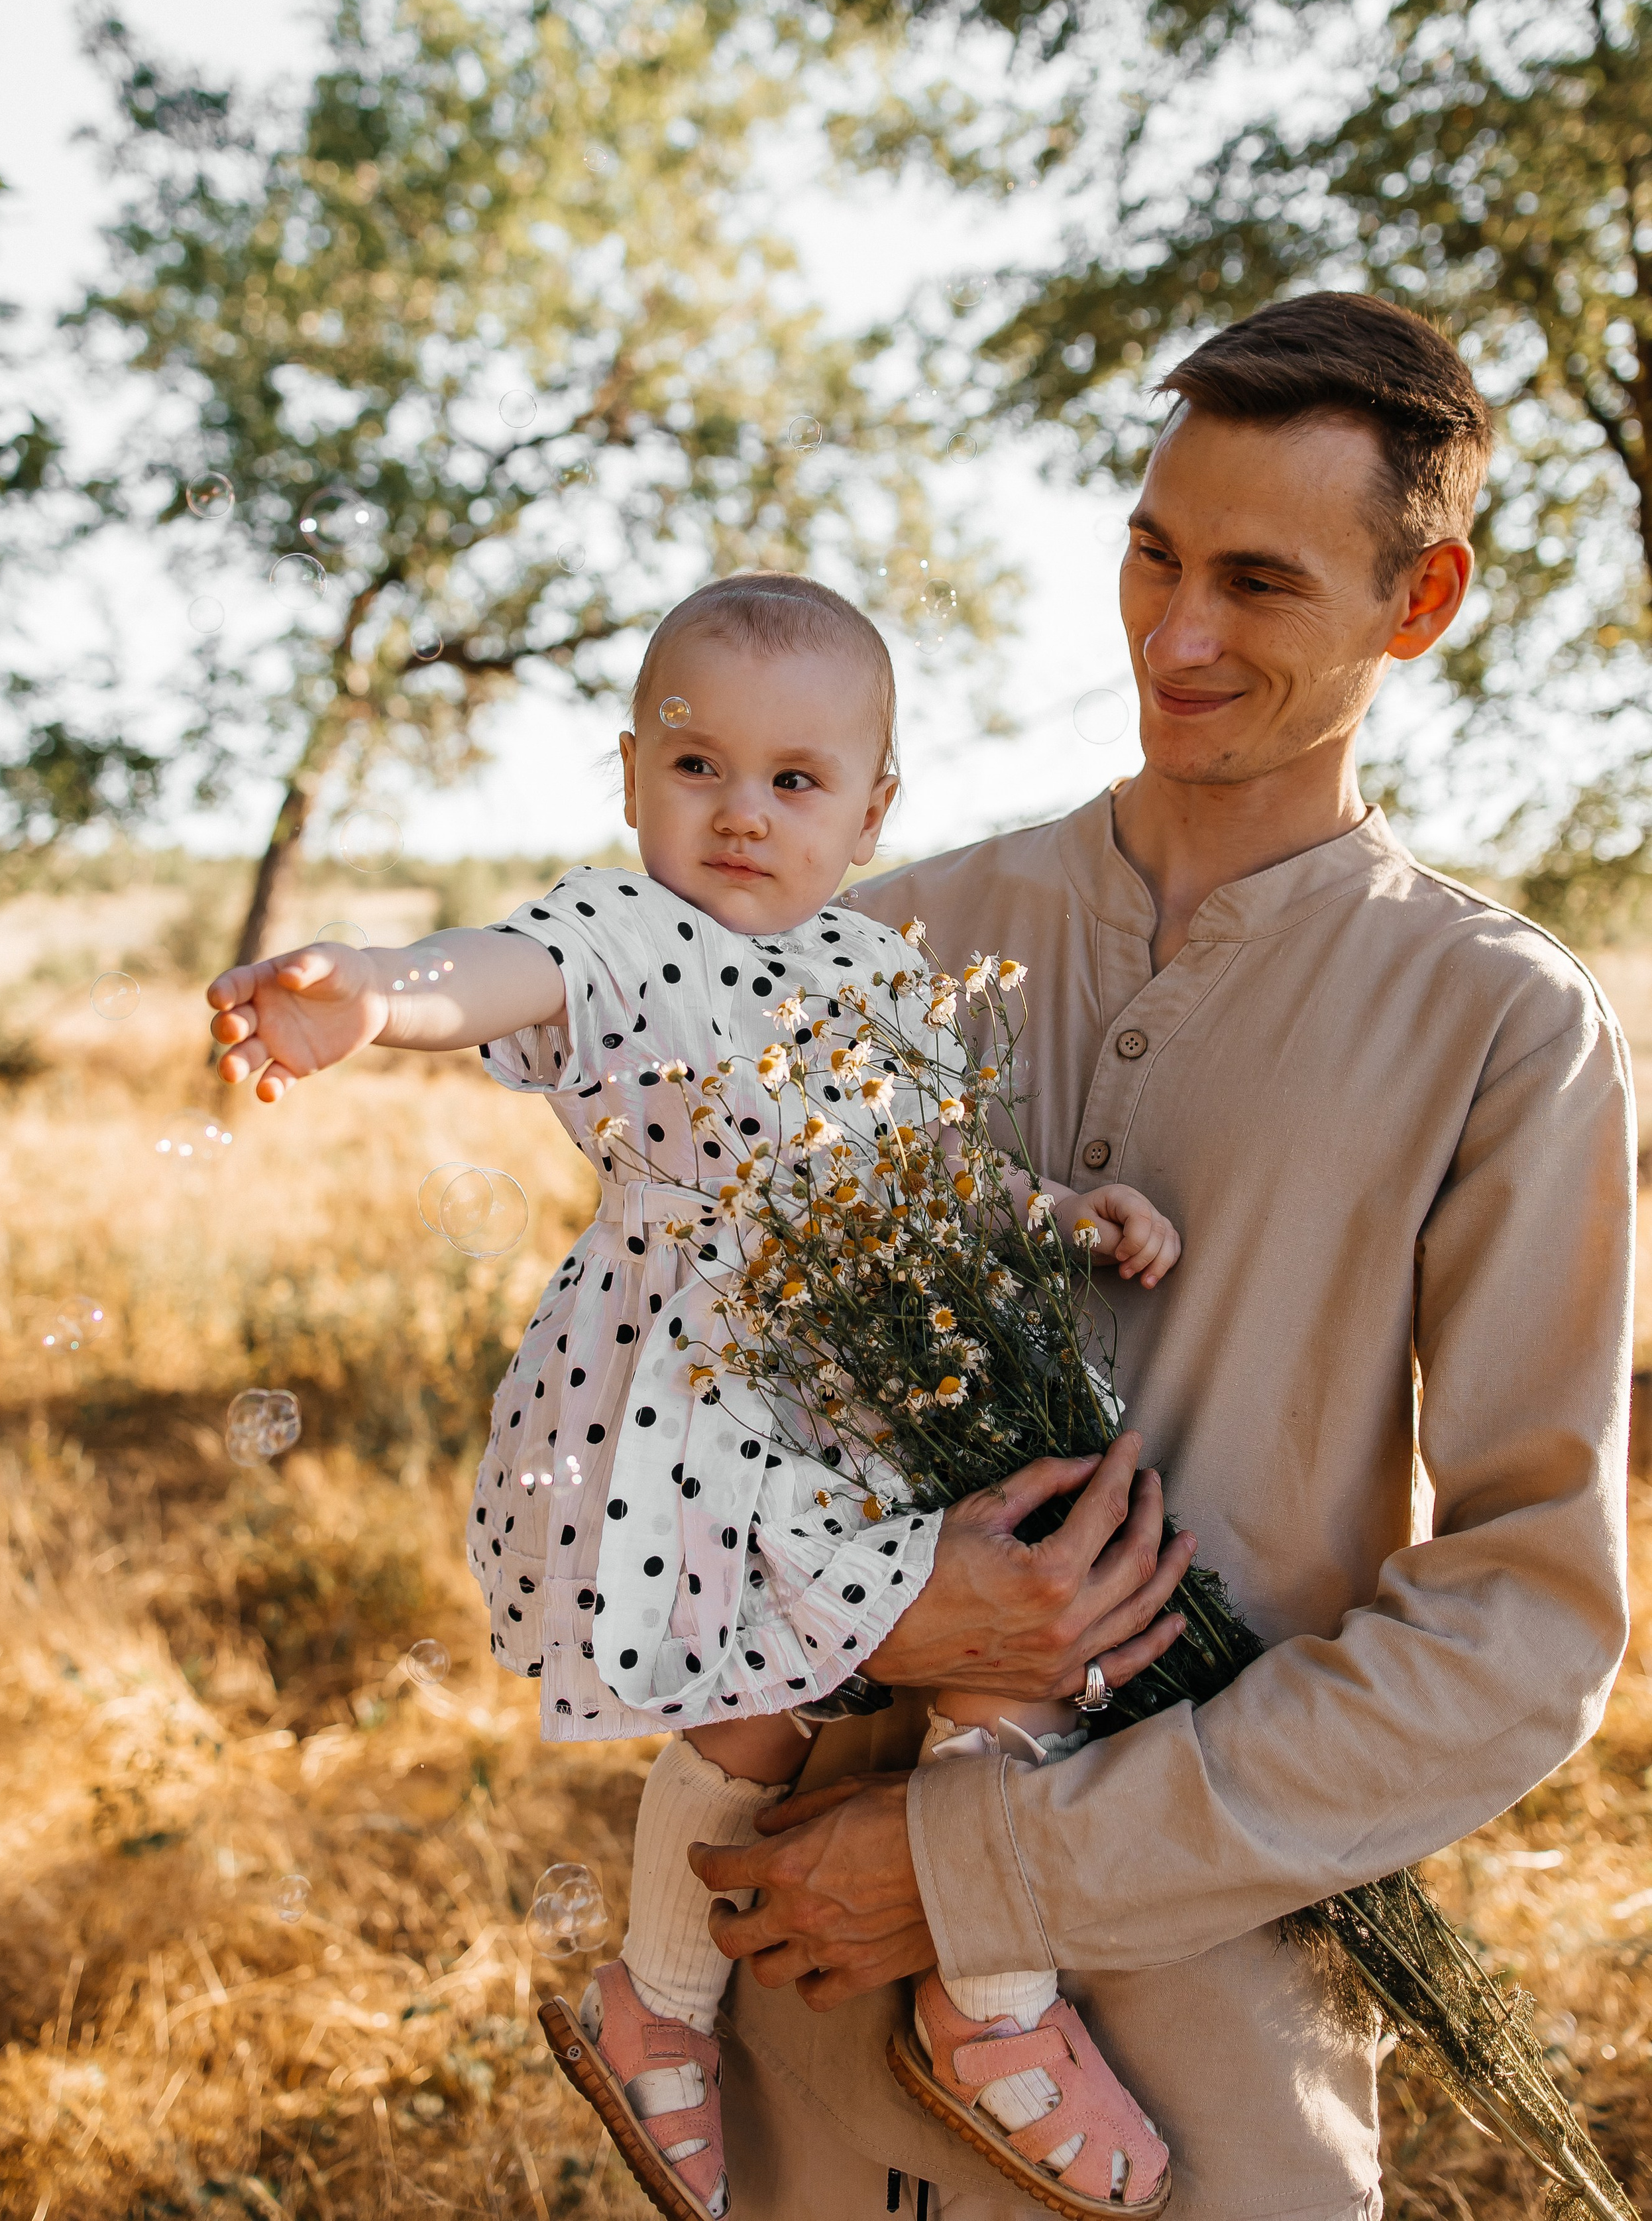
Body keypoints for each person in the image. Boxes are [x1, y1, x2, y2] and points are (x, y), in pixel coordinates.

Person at [688, 295, 1636, 2221]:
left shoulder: (1500, 1026)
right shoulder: (867, 948)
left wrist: (990, 1871)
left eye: (1260, 584)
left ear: (1422, 599)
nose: (1174, 637)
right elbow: (647, 1425)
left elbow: (1524, 1633)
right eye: (1152, 551)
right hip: (790, 2039)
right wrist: (881, 1612)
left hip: (1209, 2095)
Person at [205, 572, 1192, 2221]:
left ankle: (981, 1996)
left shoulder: (880, 978)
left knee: (1026, 1645)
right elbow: (498, 973)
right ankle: (659, 1995)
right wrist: (378, 989)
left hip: (878, 1387)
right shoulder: (629, 931)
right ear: (628, 780)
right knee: (747, 1711)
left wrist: (1054, 1219)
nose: (740, 815)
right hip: (709, 1405)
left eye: (794, 782)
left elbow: (927, 1174)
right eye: (695, 770)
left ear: (872, 808)